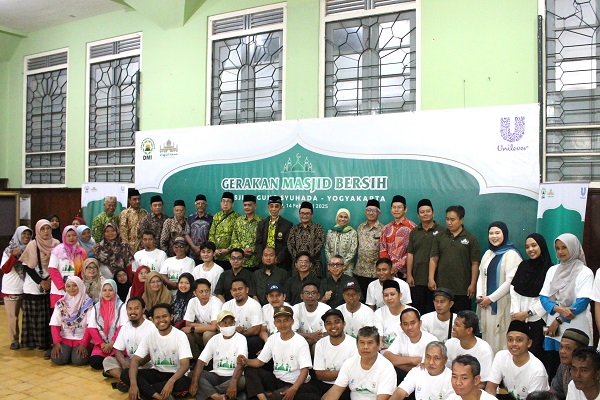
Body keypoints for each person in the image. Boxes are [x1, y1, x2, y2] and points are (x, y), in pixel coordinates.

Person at [237, 305, 321, 400]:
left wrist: (294, 388)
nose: (282, 324)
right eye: (279, 321)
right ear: (274, 323)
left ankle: (270, 395)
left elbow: (305, 371)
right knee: (249, 369)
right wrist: (246, 361)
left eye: (286, 320)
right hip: (277, 379)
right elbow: (259, 362)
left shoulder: (300, 341)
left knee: (288, 395)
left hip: (296, 383)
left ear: (292, 322)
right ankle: (263, 397)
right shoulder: (272, 339)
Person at [540, 233, 593, 380]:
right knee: (553, 365)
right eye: (557, 248)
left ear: (574, 248)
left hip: (574, 324)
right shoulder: (553, 270)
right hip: (553, 326)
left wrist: (559, 319)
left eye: (564, 248)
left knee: (576, 366)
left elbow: (582, 302)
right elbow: (544, 297)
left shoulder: (585, 272)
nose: (561, 252)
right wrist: (557, 309)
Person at [122, 303, 192, 400]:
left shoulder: (180, 336)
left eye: (164, 316)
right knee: (125, 373)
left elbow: (185, 365)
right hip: (157, 372)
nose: (161, 320)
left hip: (176, 375)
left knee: (184, 383)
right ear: (152, 320)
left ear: (171, 317)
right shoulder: (149, 336)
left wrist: (171, 382)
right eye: (157, 317)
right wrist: (133, 385)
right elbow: (135, 360)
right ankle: (157, 396)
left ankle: (145, 392)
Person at [476, 221, 522, 354]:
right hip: (485, 305)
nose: (494, 236)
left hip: (502, 305)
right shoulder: (488, 253)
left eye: (497, 233)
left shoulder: (511, 254)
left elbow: (510, 282)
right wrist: (480, 296)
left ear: (504, 234)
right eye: (491, 233)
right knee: (487, 340)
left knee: (500, 340)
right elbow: (481, 275)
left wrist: (491, 298)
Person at [321, 326, 397, 400]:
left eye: (370, 343)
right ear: (357, 345)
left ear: (378, 345)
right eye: (362, 342)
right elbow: (336, 391)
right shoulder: (349, 363)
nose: (365, 347)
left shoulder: (386, 368)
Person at [429, 205, 481, 312]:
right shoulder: (439, 236)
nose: (449, 222)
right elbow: (434, 258)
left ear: (461, 219)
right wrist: (431, 278)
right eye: (447, 219)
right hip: (442, 288)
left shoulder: (471, 238)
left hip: (462, 289)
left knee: (462, 321)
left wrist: (473, 284)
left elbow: (475, 263)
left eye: (452, 220)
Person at [511, 233, 552, 363]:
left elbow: (548, 296)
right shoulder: (523, 266)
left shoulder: (550, 269)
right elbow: (514, 289)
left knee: (535, 355)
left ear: (542, 246)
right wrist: (517, 312)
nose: (530, 249)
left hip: (537, 319)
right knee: (516, 353)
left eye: (534, 245)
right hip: (518, 317)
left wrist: (528, 313)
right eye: (527, 247)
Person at [189, 310, 247, 400]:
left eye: (231, 322)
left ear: (235, 323)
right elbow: (201, 361)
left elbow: (241, 363)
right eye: (224, 323)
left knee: (242, 381)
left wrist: (233, 382)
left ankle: (209, 394)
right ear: (218, 326)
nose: (228, 326)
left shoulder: (241, 338)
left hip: (232, 376)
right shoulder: (214, 339)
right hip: (216, 375)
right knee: (193, 375)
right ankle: (217, 396)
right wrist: (194, 382)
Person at [20, 219, 59, 352]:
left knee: (49, 315)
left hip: (52, 282)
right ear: (38, 230)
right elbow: (27, 266)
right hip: (34, 283)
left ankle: (48, 343)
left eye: (48, 228)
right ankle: (34, 341)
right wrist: (41, 281)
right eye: (43, 229)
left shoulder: (56, 244)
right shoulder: (32, 244)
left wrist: (49, 280)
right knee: (35, 316)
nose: (46, 231)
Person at [486, 320, 549, 398]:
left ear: (529, 343)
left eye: (519, 340)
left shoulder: (537, 371)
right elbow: (490, 387)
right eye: (510, 340)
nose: (514, 344)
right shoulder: (501, 356)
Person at [102, 297, 156, 380]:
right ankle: (127, 379)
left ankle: (127, 379)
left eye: (136, 308)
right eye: (130, 309)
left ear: (143, 310)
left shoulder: (152, 327)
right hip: (130, 361)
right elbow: (118, 350)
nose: (133, 312)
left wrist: (135, 365)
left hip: (146, 364)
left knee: (154, 370)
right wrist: (124, 363)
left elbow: (152, 353)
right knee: (108, 361)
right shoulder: (125, 327)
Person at [313, 309, 358, 399]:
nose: (333, 326)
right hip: (323, 385)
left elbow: (353, 374)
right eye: (328, 323)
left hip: (346, 386)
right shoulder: (321, 343)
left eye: (337, 322)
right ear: (325, 326)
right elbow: (319, 374)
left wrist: (330, 374)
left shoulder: (353, 344)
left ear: (343, 324)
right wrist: (345, 372)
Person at [49, 276, 94, 365]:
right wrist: (57, 342)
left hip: (82, 338)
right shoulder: (61, 303)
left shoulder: (88, 303)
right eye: (68, 286)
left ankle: (73, 353)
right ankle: (69, 353)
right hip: (66, 338)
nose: (71, 289)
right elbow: (55, 324)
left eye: (74, 285)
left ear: (80, 286)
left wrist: (83, 344)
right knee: (58, 359)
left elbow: (90, 326)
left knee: (78, 360)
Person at [1, 225, 33, 350]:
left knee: (28, 315)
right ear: (17, 235)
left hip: (27, 287)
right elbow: (5, 269)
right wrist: (13, 256)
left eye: (28, 234)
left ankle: (28, 339)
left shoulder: (31, 248)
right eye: (23, 234)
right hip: (12, 288)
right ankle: (14, 340)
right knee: (12, 317)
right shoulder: (9, 250)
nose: (26, 236)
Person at [384, 308, 437, 382]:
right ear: (401, 326)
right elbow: (387, 356)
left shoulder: (431, 340)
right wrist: (413, 360)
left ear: (420, 323)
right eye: (405, 324)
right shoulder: (401, 337)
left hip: (425, 380)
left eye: (413, 323)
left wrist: (399, 363)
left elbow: (431, 368)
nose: (409, 327)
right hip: (403, 377)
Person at [406, 198, 441, 314]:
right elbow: (410, 254)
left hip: (437, 279)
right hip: (417, 279)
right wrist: (409, 274)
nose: (425, 214)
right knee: (418, 311)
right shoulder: (414, 232)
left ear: (433, 212)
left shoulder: (442, 231)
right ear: (418, 215)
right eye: (422, 212)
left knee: (434, 311)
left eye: (428, 211)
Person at [390, 341, 455, 400]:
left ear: (445, 360)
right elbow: (399, 393)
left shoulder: (452, 379)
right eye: (428, 357)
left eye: (437, 358)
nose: (431, 362)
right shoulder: (418, 371)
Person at [445, 310, 494, 387]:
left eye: (457, 325)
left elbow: (483, 383)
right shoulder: (449, 344)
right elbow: (446, 372)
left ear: (469, 330)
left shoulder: (484, 350)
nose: (453, 327)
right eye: (454, 323)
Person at [87, 279, 127, 370]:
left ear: (115, 291)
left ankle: (111, 363)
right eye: (104, 290)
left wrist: (111, 344)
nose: (107, 293)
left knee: (116, 359)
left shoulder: (121, 306)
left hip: (117, 344)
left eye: (110, 290)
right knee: (95, 363)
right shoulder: (96, 307)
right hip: (102, 345)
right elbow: (92, 328)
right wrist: (102, 344)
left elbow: (123, 327)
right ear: (101, 291)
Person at [222, 277, 264, 358]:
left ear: (247, 290)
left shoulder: (254, 305)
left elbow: (256, 329)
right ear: (231, 292)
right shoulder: (226, 305)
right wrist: (234, 330)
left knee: (255, 341)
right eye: (234, 290)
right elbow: (222, 325)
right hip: (230, 335)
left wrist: (240, 333)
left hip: (248, 336)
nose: (237, 292)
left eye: (240, 289)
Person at [48, 225, 88, 307]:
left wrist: (76, 285)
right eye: (68, 236)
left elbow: (83, 271)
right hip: (59, 291)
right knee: (59, 316)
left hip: (75, 290)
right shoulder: (57, 250)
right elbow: (52, 269)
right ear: (64, 237)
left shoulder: (81, 252)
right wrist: (62, 286)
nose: (71, 238)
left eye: (74, 235)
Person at [183, 278, 222, 360]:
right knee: (186, 334)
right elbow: (187, 324)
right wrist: (207, 325)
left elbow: (214, 327)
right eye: (201, 292)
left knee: (207, 334)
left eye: (207, 291)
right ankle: (195, 359)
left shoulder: (216, 302)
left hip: (216, 333)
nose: (204, 294)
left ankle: (210, 360)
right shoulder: (192, 301)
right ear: (195, 293)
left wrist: (193, 328)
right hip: (201, 332)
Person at [379, 195, 416, 279]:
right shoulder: (386, 228)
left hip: (407, 273)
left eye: (399, 207)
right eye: (394, 207)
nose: (396, 210)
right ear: (391, 210)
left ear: (405, 209)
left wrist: (398, 266)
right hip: (388, 272)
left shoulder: (413, 228)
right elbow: (383, 249)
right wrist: (388, 266)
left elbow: (413, 250)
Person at [354, 199, 384, 295]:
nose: (371, 213)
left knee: (374, 299)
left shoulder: (383, 229)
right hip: (360, 271)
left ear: (379, 213)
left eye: (374, 211)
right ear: (365, 212)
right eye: (369, 210)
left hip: (375, 273)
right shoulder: (360, 227)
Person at [373, 279, 415, 349]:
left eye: (392, 294)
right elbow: (379, 338)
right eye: (386, 295)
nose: (389, 298)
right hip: (386, 350)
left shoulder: (411, 312)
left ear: (400, 295)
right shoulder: (378, 313)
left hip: (408, 349)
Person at [256, 195, 293, 271]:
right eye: (271, 206)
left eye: (276, 206)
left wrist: (278, 259)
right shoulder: (262, 224)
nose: (274, 209)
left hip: (281, 263)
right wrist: (262, 257)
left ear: (281, 208)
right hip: (264, 262)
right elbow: (258, 243)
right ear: (268, 207)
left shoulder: (287, 224)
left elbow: (287, 245)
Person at [287, 201, 325, 277]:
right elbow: (290, 245)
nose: (304, 216)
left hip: (314, 266)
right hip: (297, 266)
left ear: (312, 214)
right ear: (299, 214)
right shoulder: (294, 229)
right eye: (302, 213)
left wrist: (307, 260)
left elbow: (319, 246)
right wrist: (299, 261)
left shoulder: (318, 228)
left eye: (307, 213)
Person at [551, 328, 590, 400]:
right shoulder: (563, 367)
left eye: (568, 348)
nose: (562, 351)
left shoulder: (590, 372)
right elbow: (554, 393)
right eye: (561, 347)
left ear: (580, 351)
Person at [209, 191, 240, 271]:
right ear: (220, 203)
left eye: (228, 201)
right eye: (223, 201)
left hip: (229, 257)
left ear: (233, 204)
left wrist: (228, 250)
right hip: (216, 255)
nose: (225, 204)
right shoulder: (217, 216)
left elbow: (237, 237)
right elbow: (211, 234)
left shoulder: (238, 217)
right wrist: (214, 249)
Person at [231, 194, 263, 270]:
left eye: (249, 205)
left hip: (255, 262)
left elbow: (262, 241)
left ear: (255, 206)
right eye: (245, 205)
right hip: (239, 262)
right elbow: (234, 239)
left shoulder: (261, 221)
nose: (247, 207)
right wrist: (242, 250)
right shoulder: (238, 220)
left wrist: (252, 250)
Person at [293, 282, 331, 346]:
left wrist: (313, 339)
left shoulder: (326, 309)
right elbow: (291, 332)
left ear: (318, 296)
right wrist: (310, 336)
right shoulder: (296, 308)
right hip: (301, 342)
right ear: (301, 296)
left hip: (320, 342)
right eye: (307, 293)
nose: (310, 296)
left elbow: (328, 333)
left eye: (313, 293)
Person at [325, 208, 358, 276]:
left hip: (346, 268)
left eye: (345, 217)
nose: (343, 219)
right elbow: (326, 249)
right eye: (341, 216)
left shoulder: (352, 233)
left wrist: (342, 265)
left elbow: (352, 251)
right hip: (331, 268)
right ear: (337, 218)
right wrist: (332, 264)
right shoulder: (331, 232)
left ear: (348, 219)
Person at [119, 188, 147, 254]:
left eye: (139, 199)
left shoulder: (144, 213)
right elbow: (123, 232)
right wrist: (126, 248)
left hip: (143, 247)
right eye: (134, 199)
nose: (137, 201)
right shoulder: (125, 213)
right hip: (129, 248)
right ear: (129, 200)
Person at [188, 194, 213, 263]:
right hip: (193, 252)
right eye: (198, 203)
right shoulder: (190, 218)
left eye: (202, 203)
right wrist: (193, 247)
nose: (200, 205)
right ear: (195, 205)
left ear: (206, 205)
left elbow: (212, 234)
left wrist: (204, 248)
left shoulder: (211, 218)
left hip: (206, 253)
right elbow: (186, 234)